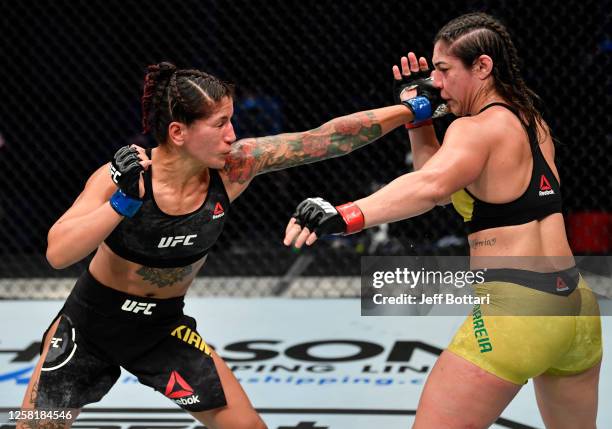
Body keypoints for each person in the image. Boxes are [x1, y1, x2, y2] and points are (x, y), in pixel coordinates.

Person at [17, 62, 416, 429]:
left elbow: (325, 140)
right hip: (89, 328)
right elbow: (58, 252)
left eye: (232, 121)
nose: (232, 135)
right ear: (178, 132)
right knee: (38, 425)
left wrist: (411, 110)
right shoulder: (125, 177)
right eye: (220, 123)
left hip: (162, 330)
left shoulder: (235, 167)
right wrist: (123, 204)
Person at [284, 12, 602, 429]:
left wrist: (343, 215)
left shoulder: (474, 129)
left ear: (483, 67)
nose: (436, 82)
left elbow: (430, 188)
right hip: (576, 309)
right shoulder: (530, 120)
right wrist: (419, 122)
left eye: (445, 70)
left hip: (518, 314)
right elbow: (443, 182)